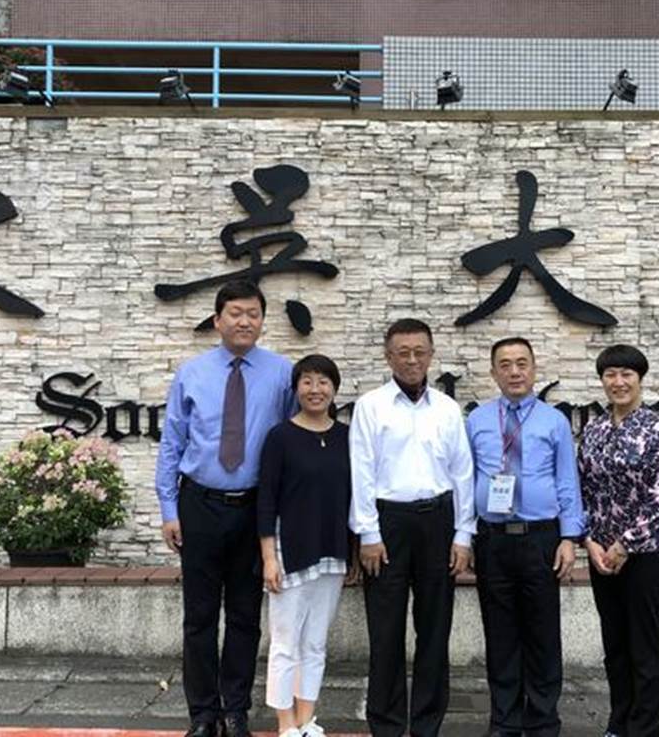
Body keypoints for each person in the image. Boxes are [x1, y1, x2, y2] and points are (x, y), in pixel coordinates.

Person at [155, 280, 294, 737]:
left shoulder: (282, 374)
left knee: (244, 615)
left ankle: (235, 711)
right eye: (235, 313)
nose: (244, 321)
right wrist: (169, 508)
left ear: (262, 321)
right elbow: (172, 443)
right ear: (217, 320)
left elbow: (291, 441)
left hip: (254, 509)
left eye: (253, 314)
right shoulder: (191, 373)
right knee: (198, 617)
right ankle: (202, 714)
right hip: (200, 504)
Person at [348, 318, 475, 737]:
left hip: (438, 522)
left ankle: (426, 724)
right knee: (385, 631)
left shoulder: (447, 408)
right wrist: (368, 533)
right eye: (403, 352)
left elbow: (462, 473)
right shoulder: (371, 406)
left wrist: (463, 534)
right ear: (389, 357)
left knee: (435, 629)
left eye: (420, 351)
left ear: (431, 354)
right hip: (387, 525)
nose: (412, 359)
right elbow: (361, 471)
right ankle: (386, 725)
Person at [466, 337, 584, 737]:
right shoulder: (477, 420)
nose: (514, 372)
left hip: (541, 538)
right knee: (499, 634)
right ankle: (504, 720)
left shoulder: (554, 421)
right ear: (493, 372)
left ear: (534, 369)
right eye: (505, 364)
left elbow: (567, 480)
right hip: (493, 539)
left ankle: (543, 720)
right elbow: (466, 480)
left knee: (542, 633)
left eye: (521, 363)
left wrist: (569, 537)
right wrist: (465, 535)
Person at [577, 344, 659, 737]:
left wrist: (625, 544)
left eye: (626, 375)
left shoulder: (657, 429)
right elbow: (584, 489)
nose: (618, 382)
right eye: (610, 375)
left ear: (639, 379)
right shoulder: (594, 430)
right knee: (615, 646)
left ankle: (645, 729)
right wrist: (590, 541)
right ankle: (619, 723)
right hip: (602, 557)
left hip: (644, 555)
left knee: (644, 647)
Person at [257, 354, 352, 737]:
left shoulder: (347, 436)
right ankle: (285, 724)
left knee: (315, 643)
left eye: (323, 381)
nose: (316, 389)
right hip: (290, 552)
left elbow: (356, 496)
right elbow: (266, 500)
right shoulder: (280, 437)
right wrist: (268, 557)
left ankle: (305, 719)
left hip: (333, 552)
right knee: (285, 644)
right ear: (296, 389)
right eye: (307, 381)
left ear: (334, 388)